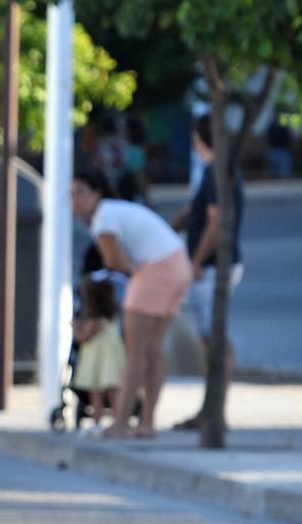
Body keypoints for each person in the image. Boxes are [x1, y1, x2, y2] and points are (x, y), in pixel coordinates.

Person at [70, 169, 190, 439]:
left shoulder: (104, 218)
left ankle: (122, 423)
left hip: (157, 267)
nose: (74, 200)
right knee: (151, 349)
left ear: (96, 193)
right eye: (71, 194)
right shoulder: (113, 211)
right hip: (177, 263)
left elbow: (114, 262)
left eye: (80, 192)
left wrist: (136, 275)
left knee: (136, 352)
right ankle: (146, 422)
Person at [171, 116, 245, 431]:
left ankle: (215, 412)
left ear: (199, 138)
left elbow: (215, 222)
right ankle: (210, 409)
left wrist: (197, 261)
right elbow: (197, 213)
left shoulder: (216, 170)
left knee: (213, 340)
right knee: (210, 339)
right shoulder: (217, 170)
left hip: (213, 266)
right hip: (215, 264)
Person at [72, 271, 127, 432]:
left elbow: (83, 337)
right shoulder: (113, 316)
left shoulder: (95, 319)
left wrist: (74, 327)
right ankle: (119, 421)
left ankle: (97, 423)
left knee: (96, 393)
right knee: (113, 392)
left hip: (97, 361)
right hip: (112, 359)